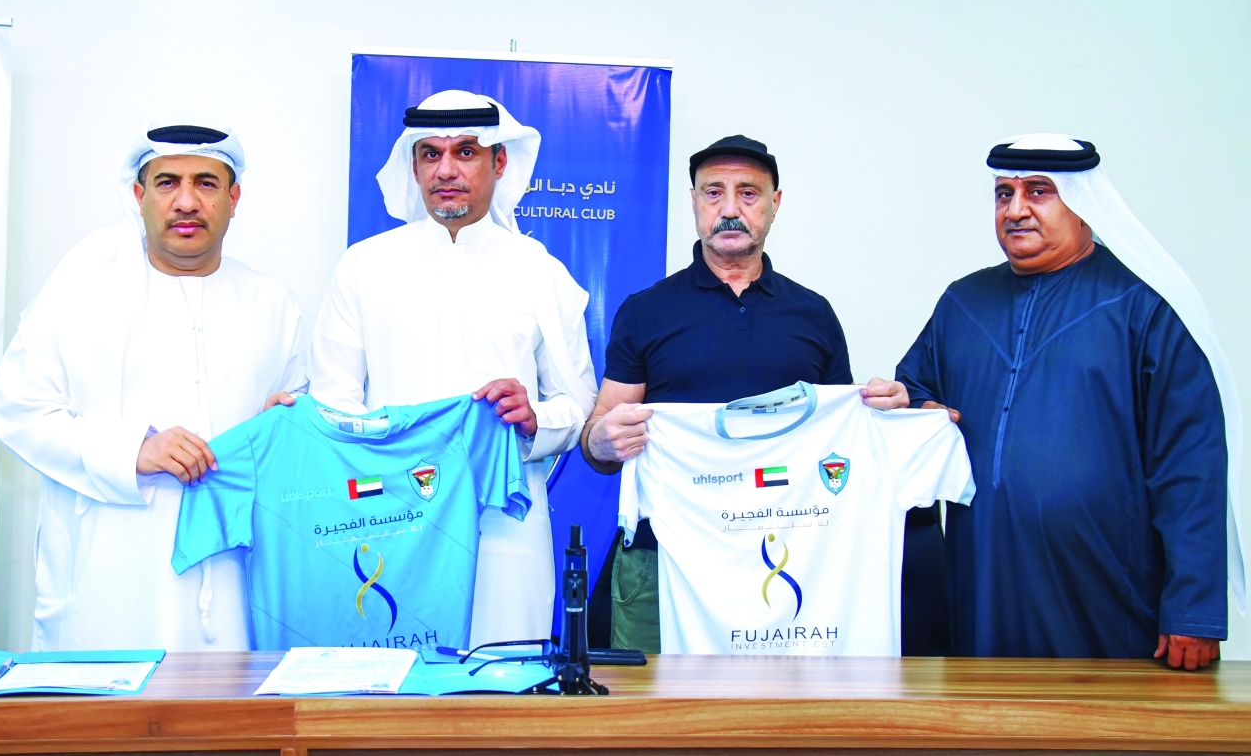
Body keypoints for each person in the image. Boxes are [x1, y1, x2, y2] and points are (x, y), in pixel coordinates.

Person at [895, 134, 1246, 670]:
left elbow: (1189, 464)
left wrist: (1192, 611)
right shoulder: (962, 303)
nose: (1016, 210)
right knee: (988, 716)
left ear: (1083, 203)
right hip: (985, 585)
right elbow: (915, 389)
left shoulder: (1145, 305)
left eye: (1038, 192)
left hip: (1106, 592)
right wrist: (913, 409)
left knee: (1105, 718)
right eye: (1004, 194)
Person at [581, 135, 916, 653]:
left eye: (749, 193)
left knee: (781, 700)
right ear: (694, 202)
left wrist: (886, 415)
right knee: (654, 703)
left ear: (775, 203)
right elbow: (599, 436)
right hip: (664, 556)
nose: (730, 209)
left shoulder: (813, 314)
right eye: (714, 192)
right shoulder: (645, 311)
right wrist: (602, 440)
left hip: (788, 554)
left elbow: (840, 441)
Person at [0, 122, 304, 651]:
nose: (186, 201)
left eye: (206, 183)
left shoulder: (272, 303)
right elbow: (19, 411)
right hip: (110, 580)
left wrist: (286, 427)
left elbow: (293, 430)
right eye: (167, 183)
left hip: (234, 579)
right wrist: (133, 450)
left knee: (230, 697)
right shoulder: (82, 291)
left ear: (234, 199)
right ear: (139, 196)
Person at [309, 90, 597, 646]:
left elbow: (577, 405)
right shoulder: (363, 267)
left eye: (466, 152)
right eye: (430, 154)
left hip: (503, 528)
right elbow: (332, 403)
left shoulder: (540, 272)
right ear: (413, 165)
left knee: (502, 678)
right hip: (389, 522)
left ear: (499, 161)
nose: (446, 170)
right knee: (394, 682)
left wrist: (534, 418)